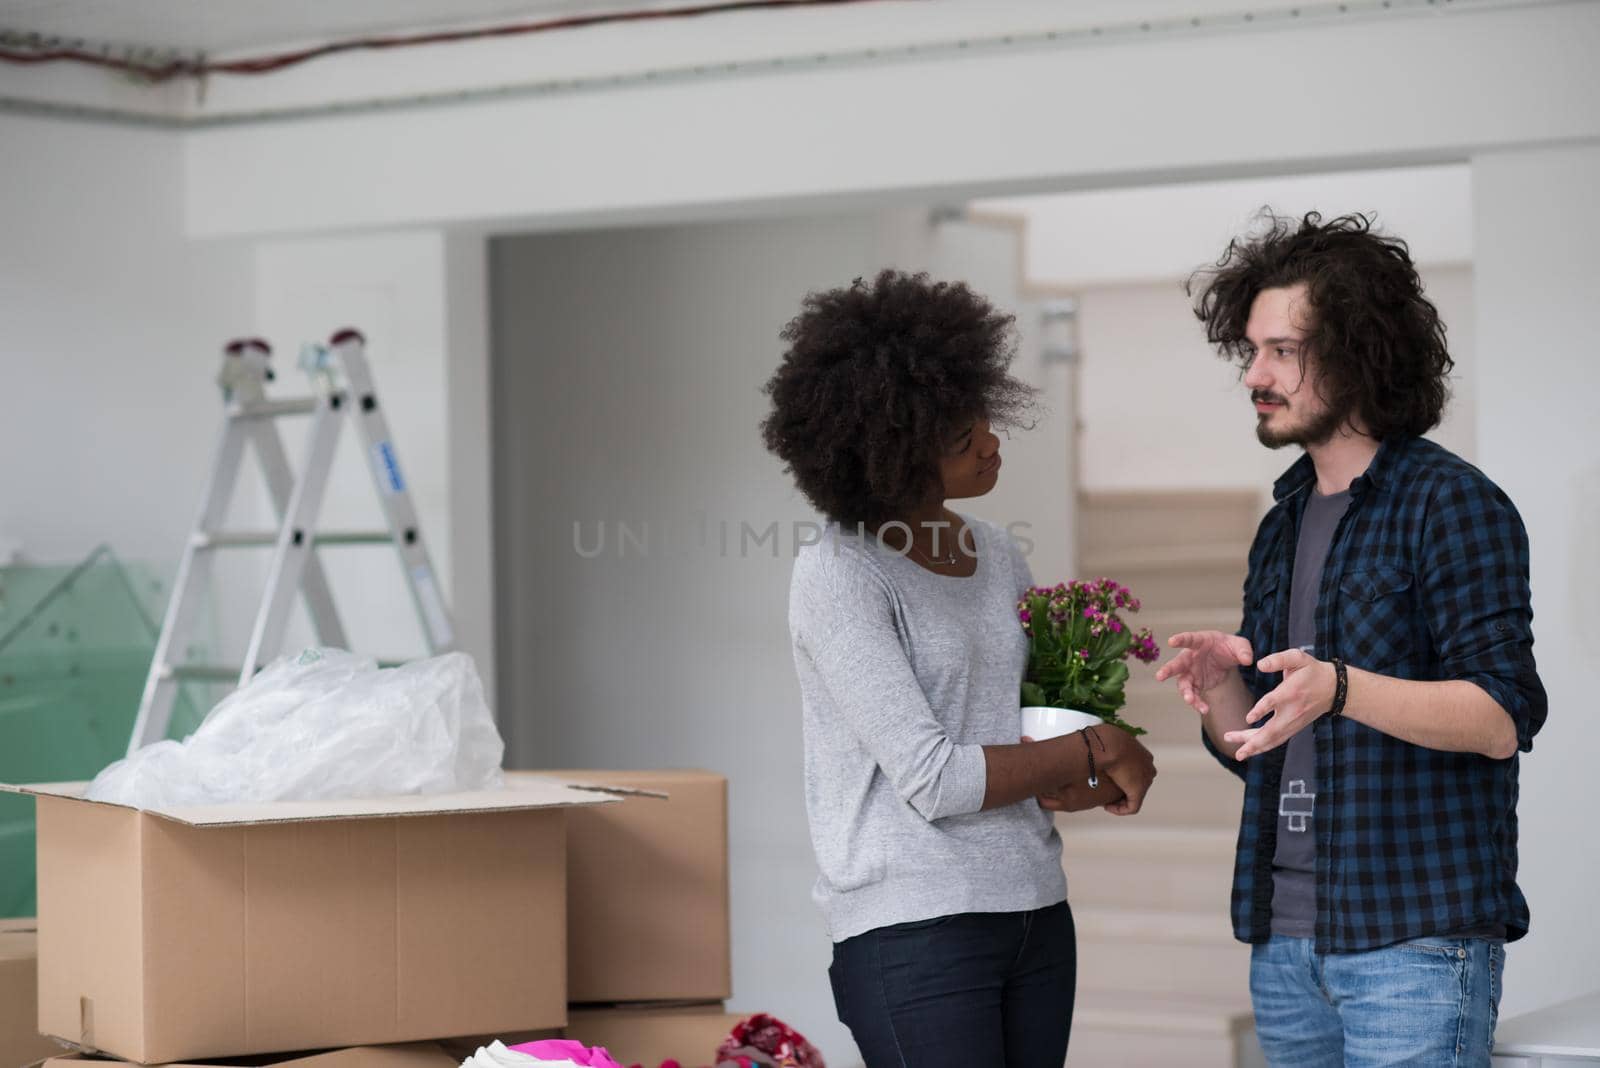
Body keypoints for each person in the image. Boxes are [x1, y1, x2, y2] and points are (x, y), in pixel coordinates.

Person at [1159, 211, 1547, 1067]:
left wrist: (1339, 686)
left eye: (1283, 351)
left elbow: (1499, 716)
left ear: (1359, 353)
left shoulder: (1450, 504)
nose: (1255, 375)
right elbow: (1257, 746)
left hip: (1412, 938)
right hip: (1286, 940)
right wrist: (1226, 687)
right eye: (1250, 350)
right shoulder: (1282, 522)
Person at [761, 269, 1157, 1068]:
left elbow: (1019, 733)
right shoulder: (841, 574)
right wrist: (1098, 747)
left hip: (1037, 913)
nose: (989, 442)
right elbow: (935, 780)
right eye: (957, 438)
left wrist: (1085, 772)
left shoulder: (997, 551)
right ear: (888, 451)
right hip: (914, 931)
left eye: (983, 418)